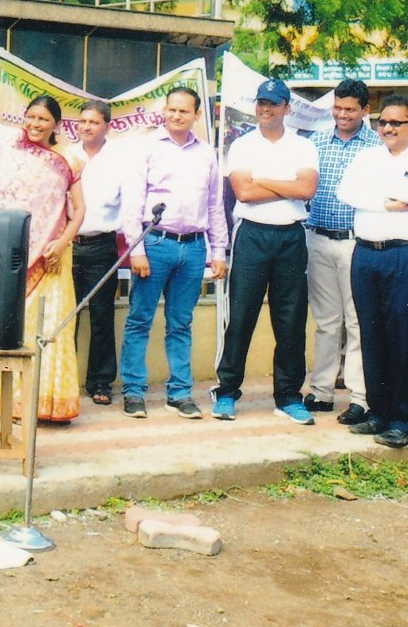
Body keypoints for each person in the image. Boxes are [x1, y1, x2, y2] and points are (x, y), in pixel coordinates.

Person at [336, 94, 408, 447]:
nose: (387, 128)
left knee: (404, 336)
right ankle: (379, 412)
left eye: (396, 122)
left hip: (405, 254)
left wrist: (374, 194)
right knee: (372, 334)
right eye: (383, 122)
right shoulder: (367, 157)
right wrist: (386, 202)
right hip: (367, 253)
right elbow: (345, 192)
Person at [213, 78, 319, 424]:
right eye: (261, 103)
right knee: (241, 316)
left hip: (290, 236)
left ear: (287, 107)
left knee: (290, 320)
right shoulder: (242, 145)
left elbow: (307, 189)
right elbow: (243, 192)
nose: (265, 109)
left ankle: (288, 397)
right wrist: (287, 186)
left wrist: (264, 180)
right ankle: (226, 392)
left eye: (273, 103)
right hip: (252, 235)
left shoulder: (303, 146)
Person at [119, 86, 228, 419]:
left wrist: (219, 250)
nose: (177, 116)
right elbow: (133, 200)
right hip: (155, 244)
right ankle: (133, 391)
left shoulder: (206, 153)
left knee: (181, 323)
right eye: (172, 110)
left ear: (197, 115)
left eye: (184, 111)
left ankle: (179, 393)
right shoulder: (147, 147)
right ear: (164, 111)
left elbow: (214, 204)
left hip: (193, 248)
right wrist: (136, 250)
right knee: (140, 319)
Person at [0, 95, 84, 423]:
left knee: (50, 329)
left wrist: (61, 242)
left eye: (43, 119)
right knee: (18, 329)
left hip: (51, 258)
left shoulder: (67, 160)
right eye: (31, 117)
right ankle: (16, 403)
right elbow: (0, 202)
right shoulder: (9, 153)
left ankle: (50, 404)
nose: (35, 124)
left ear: (56, 124)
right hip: (13, 255)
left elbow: (79, 209)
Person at [304, 77, 381, 423]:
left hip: (356, 242)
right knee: (326, 322)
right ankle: (321, 391)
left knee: (357, 321)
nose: (342, 115)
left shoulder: (377, 146)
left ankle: (360, 397)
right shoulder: (317, 141)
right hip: (318, 238)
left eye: (350, 109)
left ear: (365, 110)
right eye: (337, 108)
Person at [64, 99, 123, 405]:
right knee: (66, 317)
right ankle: (62, 382)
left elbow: (129, 202)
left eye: (93, 122)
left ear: (107, 126)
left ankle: (100, 381)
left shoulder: (119, 159)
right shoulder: (66, 155)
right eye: (82, 121)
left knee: (101, 316)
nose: (86, 127)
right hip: (68, 245)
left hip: (102, 245)